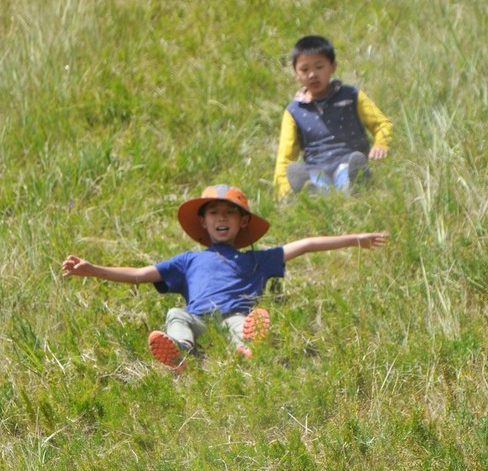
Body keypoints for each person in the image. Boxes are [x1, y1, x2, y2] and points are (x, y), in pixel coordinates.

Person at [62, 183, 388, 368]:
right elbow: (138, 274)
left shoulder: (257, 260)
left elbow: (305, 245)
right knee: (176, 313)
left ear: (243, 222)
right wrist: (92, 270)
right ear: (202, 222)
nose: (222, 218)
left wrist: (355, 239)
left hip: (234, 314)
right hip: (199, 318)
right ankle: (180, 350)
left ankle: (245, 345)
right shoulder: (188, 261)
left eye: (230, 213)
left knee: (239, 322)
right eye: (214, 213)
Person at [274, 34, 392, 197]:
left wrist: (381, 144)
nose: (312, 75)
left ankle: (355, 183)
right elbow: (285, 158)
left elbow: (381, 124)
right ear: (296, 73)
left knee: (346, 175)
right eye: (304, 69)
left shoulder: (351, 95)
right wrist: (284, 191)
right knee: (315, 182)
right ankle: (313, 193)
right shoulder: (293, 111)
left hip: (348, 161)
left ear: (333, 67)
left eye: (319, 67)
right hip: (315, 168)